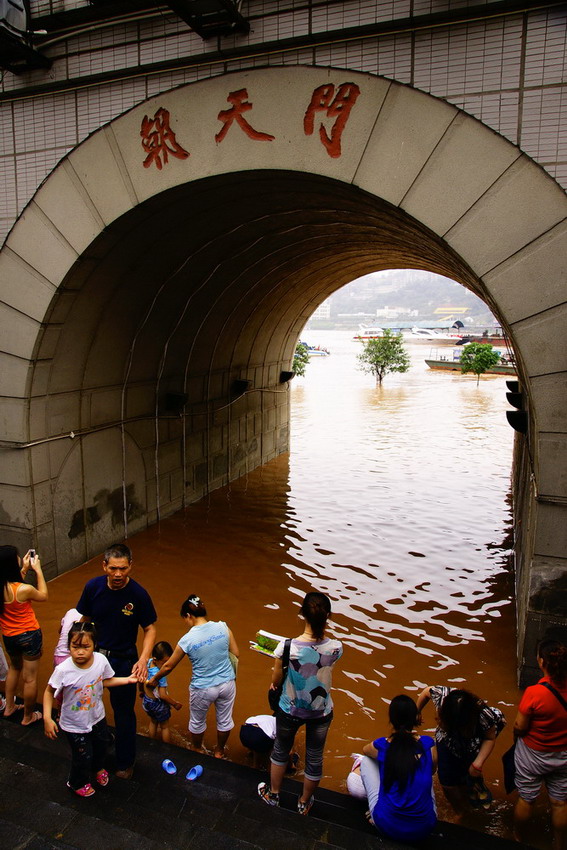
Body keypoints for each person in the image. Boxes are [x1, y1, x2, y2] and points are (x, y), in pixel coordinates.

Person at [75, 542, 157, 779]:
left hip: (124, 661)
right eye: (113, 569)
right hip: (96, 656)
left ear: (131, 566)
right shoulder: (93, 588)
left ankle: (125, 761)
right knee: (87, 706)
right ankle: (91, 751)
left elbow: (150, 628)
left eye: (123, 568)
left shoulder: (139, 594)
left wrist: (142, 660)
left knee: (123, 713)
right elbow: (84, 620)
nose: (118, 574)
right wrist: (76, 650)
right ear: (104, 566)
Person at [257, 591, 343, 815]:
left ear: (301, 614)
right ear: (328, 617)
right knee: (314, 756)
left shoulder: (286, 647)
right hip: (321, 711)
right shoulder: (336, 648)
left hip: (289, 708)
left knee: (281, 750)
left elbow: (276, 680)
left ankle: (274, 794)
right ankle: (304, 802)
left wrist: (276, 681)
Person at [43, 622, 138, 797]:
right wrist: (47, 719)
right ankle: (76, 782)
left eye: (85, 647)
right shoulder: (63, 670)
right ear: (68, 646)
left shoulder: (101, 660)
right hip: (74, 724)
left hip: (97, 717)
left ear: (95, 645)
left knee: (101, 746)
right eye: (75, 646)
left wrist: (128, 680)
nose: (80, 652)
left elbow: (106, 680)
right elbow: (49, 692)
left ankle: (98, 768)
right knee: (82, 755)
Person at [147, 594, 238, 758]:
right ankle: (219, 751)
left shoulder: (187, 639)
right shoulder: (223, 627)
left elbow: (168, 666)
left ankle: (197, 750)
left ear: (188, 616)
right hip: (227, 683)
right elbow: (235, 653)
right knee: (224, 720)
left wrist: (154, 679)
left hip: (203, 687)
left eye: (185, 619)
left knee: (197, 721)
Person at [416, 684, 505, 816]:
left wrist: (478, 763)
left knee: (469, 772)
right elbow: (425, 692)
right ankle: (460, 811)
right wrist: (416, 711)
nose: (438, 721)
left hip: (472, 742)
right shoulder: (442, 696)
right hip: (447, 740)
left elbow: (490, 738)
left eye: (442, 721)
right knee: (447, 782)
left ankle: (472, 786)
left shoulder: (484, 716)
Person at [358, 695, 437, 842]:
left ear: (391, 719)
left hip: (386, 826)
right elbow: (432, 770)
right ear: (416, 718)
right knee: (425, 771)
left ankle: (375, 814)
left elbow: (365, 750)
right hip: (424, 829)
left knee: (366, 761)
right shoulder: (428, 744)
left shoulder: (382, 745)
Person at [513, 639, 567, 850]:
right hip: (563, 753)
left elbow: (520, 726)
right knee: (560, 802)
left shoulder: (535, 693)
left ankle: (518, 838)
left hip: (534, 753)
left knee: (527, 799)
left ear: (541, 662)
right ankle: (559, 844)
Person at [0, 545, 48, 725]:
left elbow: (11, 585)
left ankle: (9, 706)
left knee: (14, 668)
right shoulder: (23, 589)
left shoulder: (3, 587)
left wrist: (25, 568)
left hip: (9, 636)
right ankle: (28, 716)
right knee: (30, 679)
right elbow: (43, 595)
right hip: (28, 634)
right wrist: (38, 570)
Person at [140, 640, 182, 743]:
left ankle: (151, 742)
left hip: (147, 701)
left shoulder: (148, 663)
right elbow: (162, 695)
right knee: (164, 726)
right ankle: (166, 748)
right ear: (155, 659)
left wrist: (141, 691)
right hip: (158, 704)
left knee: (153, 722)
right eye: (164, 662)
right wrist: (174, 703)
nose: (166, 665)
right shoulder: (160, 675)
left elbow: (140, 681)